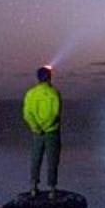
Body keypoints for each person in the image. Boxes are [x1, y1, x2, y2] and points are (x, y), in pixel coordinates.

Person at [22, 65, 62, 198]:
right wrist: (46, 126)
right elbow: (55, 113)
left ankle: (33, 187)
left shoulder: (30, 93)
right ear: (49, 77)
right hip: (52, 132)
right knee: (52, 160)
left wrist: (36, 127)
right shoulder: (54, 93)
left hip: (36, 132)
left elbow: (27, 113)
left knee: (36, 158)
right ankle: (52, 189)